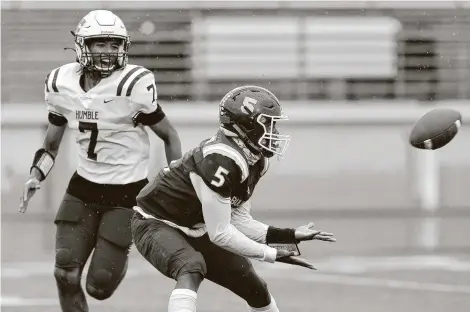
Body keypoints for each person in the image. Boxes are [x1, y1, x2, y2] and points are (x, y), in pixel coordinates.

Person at [19, 10, 182, 312]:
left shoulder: (132, 85)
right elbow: (51, 145)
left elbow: (169, 136)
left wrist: (176, 186)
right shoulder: (61, 83)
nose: (109, 52)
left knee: (99, 287)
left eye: (114, 44)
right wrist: (36, 176)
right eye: (100, 44)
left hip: (126, 193)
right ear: (83, 46)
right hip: (83, 188)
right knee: (64, 272)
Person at [130, 85, 336, 312]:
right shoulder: (221, 158)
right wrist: (270, 254)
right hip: (155, 222)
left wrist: (288, 235)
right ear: (245, 125)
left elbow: (239, 220)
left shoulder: (255, 159)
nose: (274, 132)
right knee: (190, 266)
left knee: (252, 283)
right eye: (267, 123)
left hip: (197, 226)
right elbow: (220, 233)